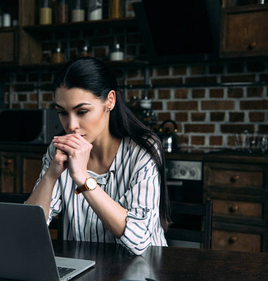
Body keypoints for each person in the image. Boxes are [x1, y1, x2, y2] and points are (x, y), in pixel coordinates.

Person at [26, 57, 171, 255]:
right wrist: (51, 175)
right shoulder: (59, 151)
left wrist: (83, 179)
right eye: (62, 112)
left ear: (109, 101)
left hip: (142, 271)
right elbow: (30, 228)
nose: (71, 125)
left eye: (82, 111)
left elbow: (139, 242)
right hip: (83, 271)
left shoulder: (142, 151)